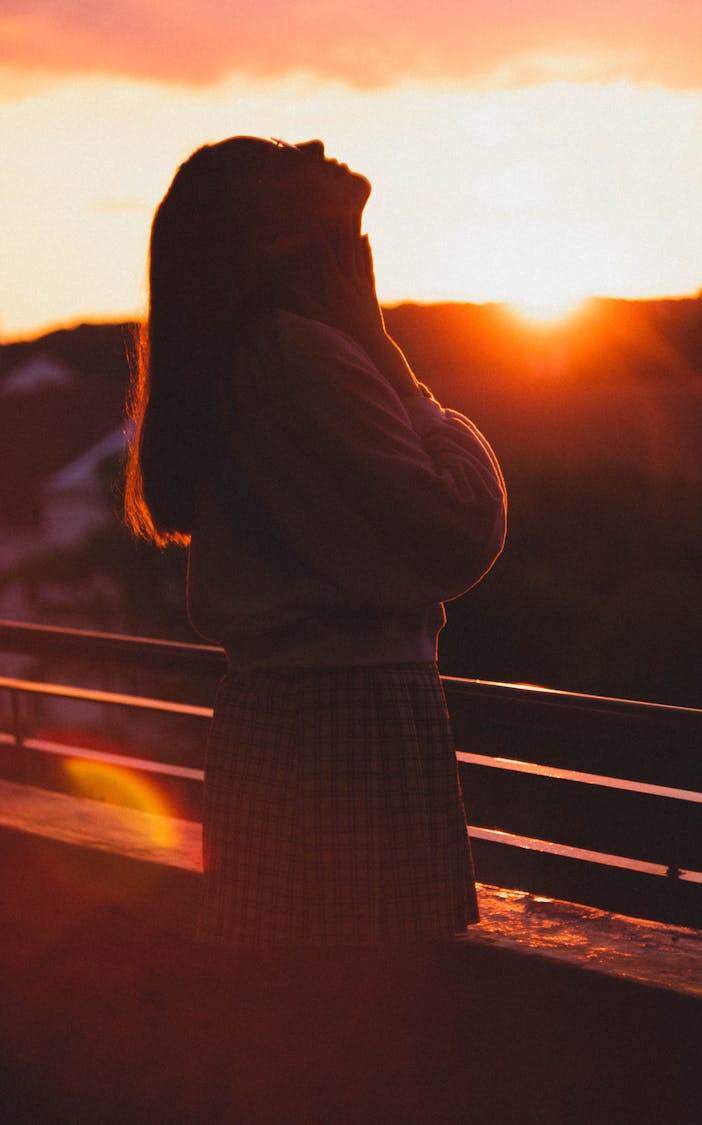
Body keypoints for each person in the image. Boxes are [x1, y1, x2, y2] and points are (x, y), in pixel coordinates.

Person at [125, 136, 506, 950]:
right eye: (288, 155)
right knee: (363, 1023)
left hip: (290, 723)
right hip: (345, 728)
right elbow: (461, 527)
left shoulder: (245, 359)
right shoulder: (298, 357)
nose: (316, 145)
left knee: (296, 1025)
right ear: (275, 239)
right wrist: (387, 356)